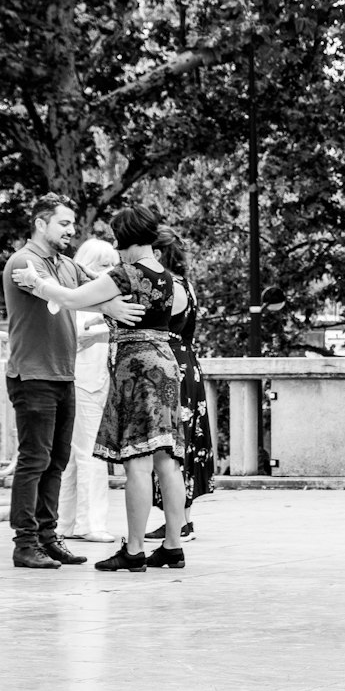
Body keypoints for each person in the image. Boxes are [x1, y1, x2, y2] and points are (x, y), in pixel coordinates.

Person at [12, 204, 186, 574]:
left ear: (123, 238)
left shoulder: (126, 272)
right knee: (167, 461)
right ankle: (173, 545)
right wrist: (108, 302)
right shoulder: (165, 276)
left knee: (136, 463)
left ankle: (135, 550)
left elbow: (74, 299)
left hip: (137, 368)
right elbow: (96, 283)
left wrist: (38, 284)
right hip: (166, 363)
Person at [1, 193, 142, 570]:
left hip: (64, 374)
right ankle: (25, 542)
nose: (71, 231)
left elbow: (93, 288)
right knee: (34, 460)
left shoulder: (64, 263)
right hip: (32, 375)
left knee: (57, 460)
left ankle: (48, 538)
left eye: (72, 224)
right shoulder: (24, 263)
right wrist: (107, 306)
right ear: (40, 224)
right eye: (63, 223)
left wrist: (117, 290)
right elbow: (68, 300)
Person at [144, 224, 214, 566]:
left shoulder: (169, 287)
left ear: (157, 255)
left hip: (170, 367)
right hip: (186, 366)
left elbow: (146, 323)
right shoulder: (185, 285)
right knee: (183, 442)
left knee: (173, 446)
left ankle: (181, 522)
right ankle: (181, 519)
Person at [54, 237, 119, 545]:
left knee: (75, 455)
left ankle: (67, 521)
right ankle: (89, 522)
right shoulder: (83, 300)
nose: (111, 271)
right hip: (86, 381)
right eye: (104, 265)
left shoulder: (84, 299)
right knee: (90, 454)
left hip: (87, 380)